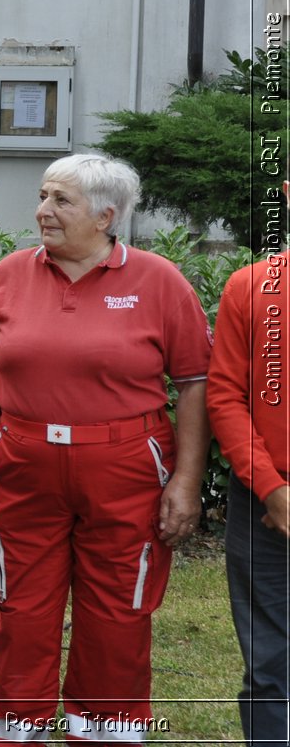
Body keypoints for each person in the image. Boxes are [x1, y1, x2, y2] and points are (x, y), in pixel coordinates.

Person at [0, 153, 213, 745]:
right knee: (22, 605)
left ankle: (104, 733)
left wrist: (187, 481)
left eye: (61, 201)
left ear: (106, 216)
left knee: (117, 612)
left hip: (126, 470)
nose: (43, 211)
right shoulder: (6, 277)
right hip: (27, 466)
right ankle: (12, 727)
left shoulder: (160, 283)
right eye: (43, 197)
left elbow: (194, 385)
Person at [206, 232, 289, 747]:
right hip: (263, 503)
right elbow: (225, 396)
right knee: (270, 662)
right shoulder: (251, 287)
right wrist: (272, 489)